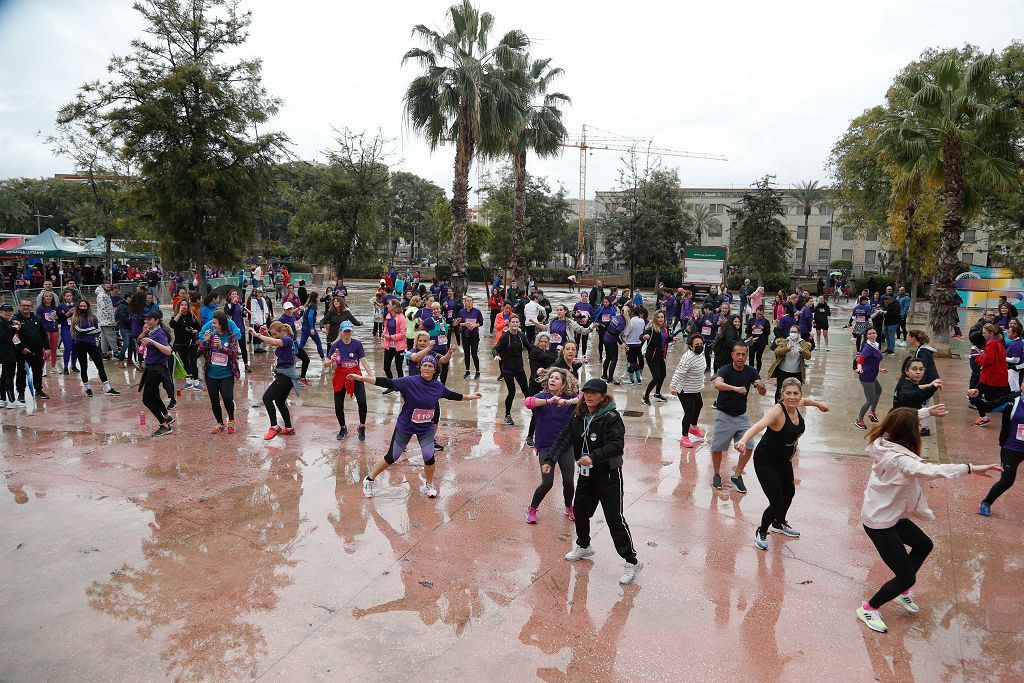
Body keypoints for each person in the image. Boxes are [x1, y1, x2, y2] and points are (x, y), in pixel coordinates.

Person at [856, 406, 999, 634]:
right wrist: (970, 468)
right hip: (880, 523)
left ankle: (901, 592)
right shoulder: (901, 460)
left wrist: (926, 412)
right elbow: (932, 471)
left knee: (924, 545)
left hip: (890, 514)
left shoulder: (884, 441)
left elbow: (899, 419)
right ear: (912, 433)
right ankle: (869, 608)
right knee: (905, 576)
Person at [552, 378, 643, 585]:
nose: (589, 396)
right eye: (586, 393)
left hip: (608, 475)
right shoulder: (579, 415)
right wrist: (550, 459)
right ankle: (584, 545)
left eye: (594, 393)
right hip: (586, 474)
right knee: (581, 512)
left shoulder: (611, 417)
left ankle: (631, 561)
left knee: (614, 519)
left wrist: (593, 456)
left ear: (603, 396)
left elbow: (617, 445)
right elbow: (565, 437)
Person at [355, 356, 482, 498]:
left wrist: (471, 396)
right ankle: (369, 479)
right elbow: (386, 382)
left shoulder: (438, 386)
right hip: (406, 426)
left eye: (430, 366)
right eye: (425, 365)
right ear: (420, 367)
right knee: (392, 456)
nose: (427, 368)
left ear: (435, 370)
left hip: (425, 428)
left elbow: (452, 395)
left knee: (429, 457)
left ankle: (429, 484)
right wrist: (362, 378)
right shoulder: (409, 382)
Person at [736, 377, 829, 550]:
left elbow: (807, 401)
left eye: (795, 393)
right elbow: (757, 427)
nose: (792, 397)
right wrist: (743, 441)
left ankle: (779, 523)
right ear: (782, 394)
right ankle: (761, 531)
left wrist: (819, 404)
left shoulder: (796, 404)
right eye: (788, 393)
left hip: (784, 460)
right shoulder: (778, 411)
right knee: (777, 501)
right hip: (766, 460)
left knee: (789, 492)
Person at [709, 341, 766, 492]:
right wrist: (735, 389)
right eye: (738, 354)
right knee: (717, 448)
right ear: (732, 355)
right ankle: (716, 475)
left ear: (747, 355)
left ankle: (737, 475)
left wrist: (761, 386)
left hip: (742, 416)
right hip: (724, 415)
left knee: (749, 447)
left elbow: (762, 393)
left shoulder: (751, 371)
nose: (740, 357)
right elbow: (718, 384)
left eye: (743, 354)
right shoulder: (725, 370)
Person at [525, 368, 580, 523]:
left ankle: (569, 506)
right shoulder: (542, 397)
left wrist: (569, 401)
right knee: (547, 483)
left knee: (569, 481)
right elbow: (528, 402)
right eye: (551, 377)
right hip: (546, 447)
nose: (552, 380)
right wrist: (549, 401)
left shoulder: (569, 398)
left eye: (557, 378)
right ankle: (532, 508)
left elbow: (582, 399)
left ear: (563, 384)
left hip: (565, 446)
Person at [249, 321, 299, 440]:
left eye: (275, 333)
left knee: (267, 398)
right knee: (280, 402)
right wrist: (267, 333)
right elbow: (275, 340)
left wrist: (258, 335)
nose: (274, 336)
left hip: (286, 376)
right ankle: (288, 427)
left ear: (282, 331)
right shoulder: (285, 339)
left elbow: (275, 342)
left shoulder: (287, 339)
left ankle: (274, 426)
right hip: (285, 374)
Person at [326, 321, 371, 441]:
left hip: (355, 374)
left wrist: (371, 376)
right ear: (341, 331)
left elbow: (364, 361)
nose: (347, 333)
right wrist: (331, 360)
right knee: (338, 405)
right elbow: (325, 363)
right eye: (345, 331)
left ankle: (362, 426)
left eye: (349, 331)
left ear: (351, 331)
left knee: (362, 402)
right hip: (341, 375)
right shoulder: (335, 345)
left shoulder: (357, 344)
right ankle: (343, 428)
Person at [197, 312, 241, 434]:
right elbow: (198, 352)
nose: (212, 325)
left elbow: (234, 354)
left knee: (227, 398)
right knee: (214, 400)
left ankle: (231, 419)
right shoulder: (210, 336)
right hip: (211, 374)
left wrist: (221, 347)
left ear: (221, 324)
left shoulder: (231, 337)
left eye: (214, 323)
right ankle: (220, 423)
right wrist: (205, 341)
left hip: (226, 373)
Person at [70, 300, 118, 397]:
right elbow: (79, 331)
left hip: (91, 344)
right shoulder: (75, 318)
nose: (83, 308)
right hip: (79, 344)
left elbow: (99, 330)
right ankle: (87, 388)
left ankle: (107, 388)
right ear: (78, 307)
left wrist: (86, 332)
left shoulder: (93, 317)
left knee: (100, 365)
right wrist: (92, 329)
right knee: (84, 366)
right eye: (81, 306)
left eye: (85, 306)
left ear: (88, 307)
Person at [137, 310, 174, 437]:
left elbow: (168, 351)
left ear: (157, 320)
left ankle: (164, 425)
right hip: (151, 368)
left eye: (150, 319)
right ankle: (166, 416)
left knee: (147, 399)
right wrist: (144, 332)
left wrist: (153, 342)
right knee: (154, 395)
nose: (147, 321)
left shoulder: (159, 334)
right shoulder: (151, 332)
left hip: (157, 369)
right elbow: (138, 341)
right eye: (145, 319)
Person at [670, 333, 708, 449]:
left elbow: (701, 370)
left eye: (701, 344)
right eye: (697, 344)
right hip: (685, 390)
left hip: (695, 388)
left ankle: (693, 427)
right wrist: (673, 386)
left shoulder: (701, 354)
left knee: (699, 405)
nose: (700, 346)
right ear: (691, 346)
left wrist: (702, 382)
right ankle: (684, 437)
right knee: (689, 412)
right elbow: (679, 372)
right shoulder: (687, 357)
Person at [493, 316, 532, 426]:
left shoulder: (522, 336)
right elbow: (496, 348)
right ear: (509, 324)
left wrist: (542, 353)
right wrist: (496, 355)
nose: (515, 324)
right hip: (507, 369)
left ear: (519, 323)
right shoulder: (505, 336)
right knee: (512, 392)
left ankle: (536, 412)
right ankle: (507, 415)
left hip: (519, 368)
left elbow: (530, 348)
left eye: (517, 322)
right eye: (513, 322)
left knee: (527, 391)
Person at [972, 323, 1009, 427]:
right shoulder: (998, 342)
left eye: (984, 333)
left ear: (991, 333)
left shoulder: (991, 343)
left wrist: (978, 357)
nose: (982, 335)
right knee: (1004, 397)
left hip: (990, 377)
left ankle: (984, 417)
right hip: (999, 376)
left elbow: (989, 359)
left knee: (973, 395)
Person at [13, 299, 48, 404]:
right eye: (24, 305)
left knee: (38, 371)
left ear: (32, 306)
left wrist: (47, 348)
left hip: (37, 351)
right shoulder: (16, 319)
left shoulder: (37, 318)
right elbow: (14, 336)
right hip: (22, 352)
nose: (26, 307)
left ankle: (38, 390)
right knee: (21, 372)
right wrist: (22, 348)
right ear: (20, 306)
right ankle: (21, 393)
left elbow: (43, 334)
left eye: (28, 305)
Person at [525, 332, 557, 447]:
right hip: (534, 386)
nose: (543, 344)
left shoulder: (548, 353)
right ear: (537, 342)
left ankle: (544, 435)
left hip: (545, 386)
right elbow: (550, 358)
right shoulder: (534, 351)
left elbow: (554, 359)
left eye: (545, 342)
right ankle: (530, 436)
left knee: (546, 411)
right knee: (536, 412)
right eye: (541, 341)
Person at [767, 325, 812, 403]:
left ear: (798, 333)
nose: (793, 333)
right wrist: (787, 349)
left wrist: (803, 352)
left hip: (797, 373)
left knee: (795, 393)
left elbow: (808, 356)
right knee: (780, 391)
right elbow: (776, 351)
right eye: (791, 332)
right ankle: (778, 408)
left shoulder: (803, 343)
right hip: (783, 371)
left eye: (795, 332)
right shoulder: (785, 341)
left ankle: (792, 408)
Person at [855, 327, 887, 429]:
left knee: (878, 390)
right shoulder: (868, 348)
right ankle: (859, 420)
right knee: (870, 399)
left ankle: (872, 412)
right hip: (866, 376)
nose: (872, 335)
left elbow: (875, 360)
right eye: (870, 334)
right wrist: (859, 367)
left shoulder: (875, 346)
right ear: (867, 336)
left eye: (874, 333)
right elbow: (860, 359)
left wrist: (879, 369)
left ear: (876, 334)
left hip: (872, 375)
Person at [641, 311, 672, 405]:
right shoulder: (651, 328)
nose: (660, 319)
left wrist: (672, 338)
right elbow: (642, 335)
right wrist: (644, 337)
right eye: (658, 317)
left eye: (662, 317)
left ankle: (657, 394)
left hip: (660, 355)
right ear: (655, 318)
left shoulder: (664, 328)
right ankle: (645, 396)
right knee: (656, 377)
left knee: (663, 375)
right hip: (652, 356)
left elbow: (665, 339)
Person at [170, 299, 201, 390]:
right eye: (182, 305)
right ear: (179, 307)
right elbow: (172, 324)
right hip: (180, 343)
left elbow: (198, 327)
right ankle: (188, 382)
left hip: (191, 342)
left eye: (186, 305)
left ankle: (196, 381)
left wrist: (194, 331)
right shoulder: (176, 316)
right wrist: (179, 313)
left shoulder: (191, 316)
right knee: (185, 362)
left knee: (193, 360)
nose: (184, 306)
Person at [298, 292, 326, 381]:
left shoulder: (307, 304)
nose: (319, 299)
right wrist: (311, 328)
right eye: (318, 297)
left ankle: (294, 359)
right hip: (309, 328)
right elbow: (310, 317)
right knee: (318, 343)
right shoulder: (313, 305)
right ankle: (323, 360)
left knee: (301, 345)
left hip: (304, 327)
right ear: (315, 298)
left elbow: (303, 315)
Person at [458, 296, 484, 379]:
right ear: (465, 302)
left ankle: (477, 371)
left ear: (472, 302)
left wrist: (475, 325)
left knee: (474, 354)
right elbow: (458, 323)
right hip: (465, 335)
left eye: (470, 301)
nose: (469, 302)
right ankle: (467, 371)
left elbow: (481, 322)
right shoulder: (461, 312)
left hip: (474, 336)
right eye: (467, 301)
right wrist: (464, 324)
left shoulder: (477, 311)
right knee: (466, 354)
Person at [223, 289, 250, 372]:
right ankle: (232, 365)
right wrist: (234, 304)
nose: (235, 295)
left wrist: (244, 313)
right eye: (233, 294)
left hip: (241, 328)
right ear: (230, 296)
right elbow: (229, 313)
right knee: (231, 348)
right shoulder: (228, 305)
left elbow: (242, 315)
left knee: (243, 347)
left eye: (236, 294)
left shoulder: (240, 304)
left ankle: (246, 364)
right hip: (231, 329)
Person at [381, 299, 407, 380]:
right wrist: (384, 333)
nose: (387, 305)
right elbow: (386, 328)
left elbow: (403, 334)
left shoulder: (401, 318)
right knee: (386, 367)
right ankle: (391, 384)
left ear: (394, 306)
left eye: (389, 304)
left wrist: (391, 337)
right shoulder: (388, 315)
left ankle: (402, 388)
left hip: (399, 347)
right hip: (389, 346)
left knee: (399, 368)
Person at [601, 302, 625, 383]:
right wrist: (621, 343)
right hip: (611, 340)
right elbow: (615, 334)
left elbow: (609, 325)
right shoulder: (623, 322)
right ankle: (610, 378)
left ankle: (604, 375)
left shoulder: (617, 317)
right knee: (614, 359)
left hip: (606, 337)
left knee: (608, 357)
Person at [36, 291, 59, 375]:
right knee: (45, 350)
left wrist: (57, 318)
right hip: (45, 331)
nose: (48, 297)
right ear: (43, 298)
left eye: (50, 296)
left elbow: (57, 319)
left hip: (54, 329)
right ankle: (42, 368)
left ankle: (53, 366)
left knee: (54, 349)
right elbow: (37, 320)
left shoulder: (55, 307)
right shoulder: (40, 308)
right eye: (46, 296)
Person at [623, 305, 646, 385]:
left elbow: (626, 332)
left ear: (632, 312)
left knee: (631, 362)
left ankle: (631, 379)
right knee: (636, 362)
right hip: (638, 344)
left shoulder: (631, 321)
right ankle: (639, 379)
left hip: (630, 344)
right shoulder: (642, 321)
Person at [56, 290, 78, 374]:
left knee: (75, 347)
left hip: (75, 328)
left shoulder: (76, 305)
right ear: (64, 297)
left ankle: (74, 366)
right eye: (67, 296)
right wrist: (68, 313)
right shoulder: (61, 306)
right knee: (68, 347)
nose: (69, 297)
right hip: (66, 328)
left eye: (70, 296)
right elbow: (60, 319)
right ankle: (65, 367)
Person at [745, 307, 770, 371]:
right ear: (755, 313)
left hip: (761, 342)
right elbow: (746, 331)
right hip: (752, 341)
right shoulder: (751, 320)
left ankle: (757, 373)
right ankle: (751, 372)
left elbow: (768, 333)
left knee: (758, 358)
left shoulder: (766, 321)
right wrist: (752, 328)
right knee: (751, 358)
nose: (759, 316)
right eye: (758, 314)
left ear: (763, 314)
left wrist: (763, 329)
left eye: (760, 314)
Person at [0, 304, 16, 407]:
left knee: (4, 376)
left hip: (7, 352)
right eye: (6, 310)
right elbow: (4, 337)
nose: (8, 312)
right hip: (6, 353)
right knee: (9, 376)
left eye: (10, 310)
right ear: (1, 311)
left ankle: (2, 399)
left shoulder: (7, 322)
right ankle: (12, 401)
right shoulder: (1, 323)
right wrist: (14, 329)